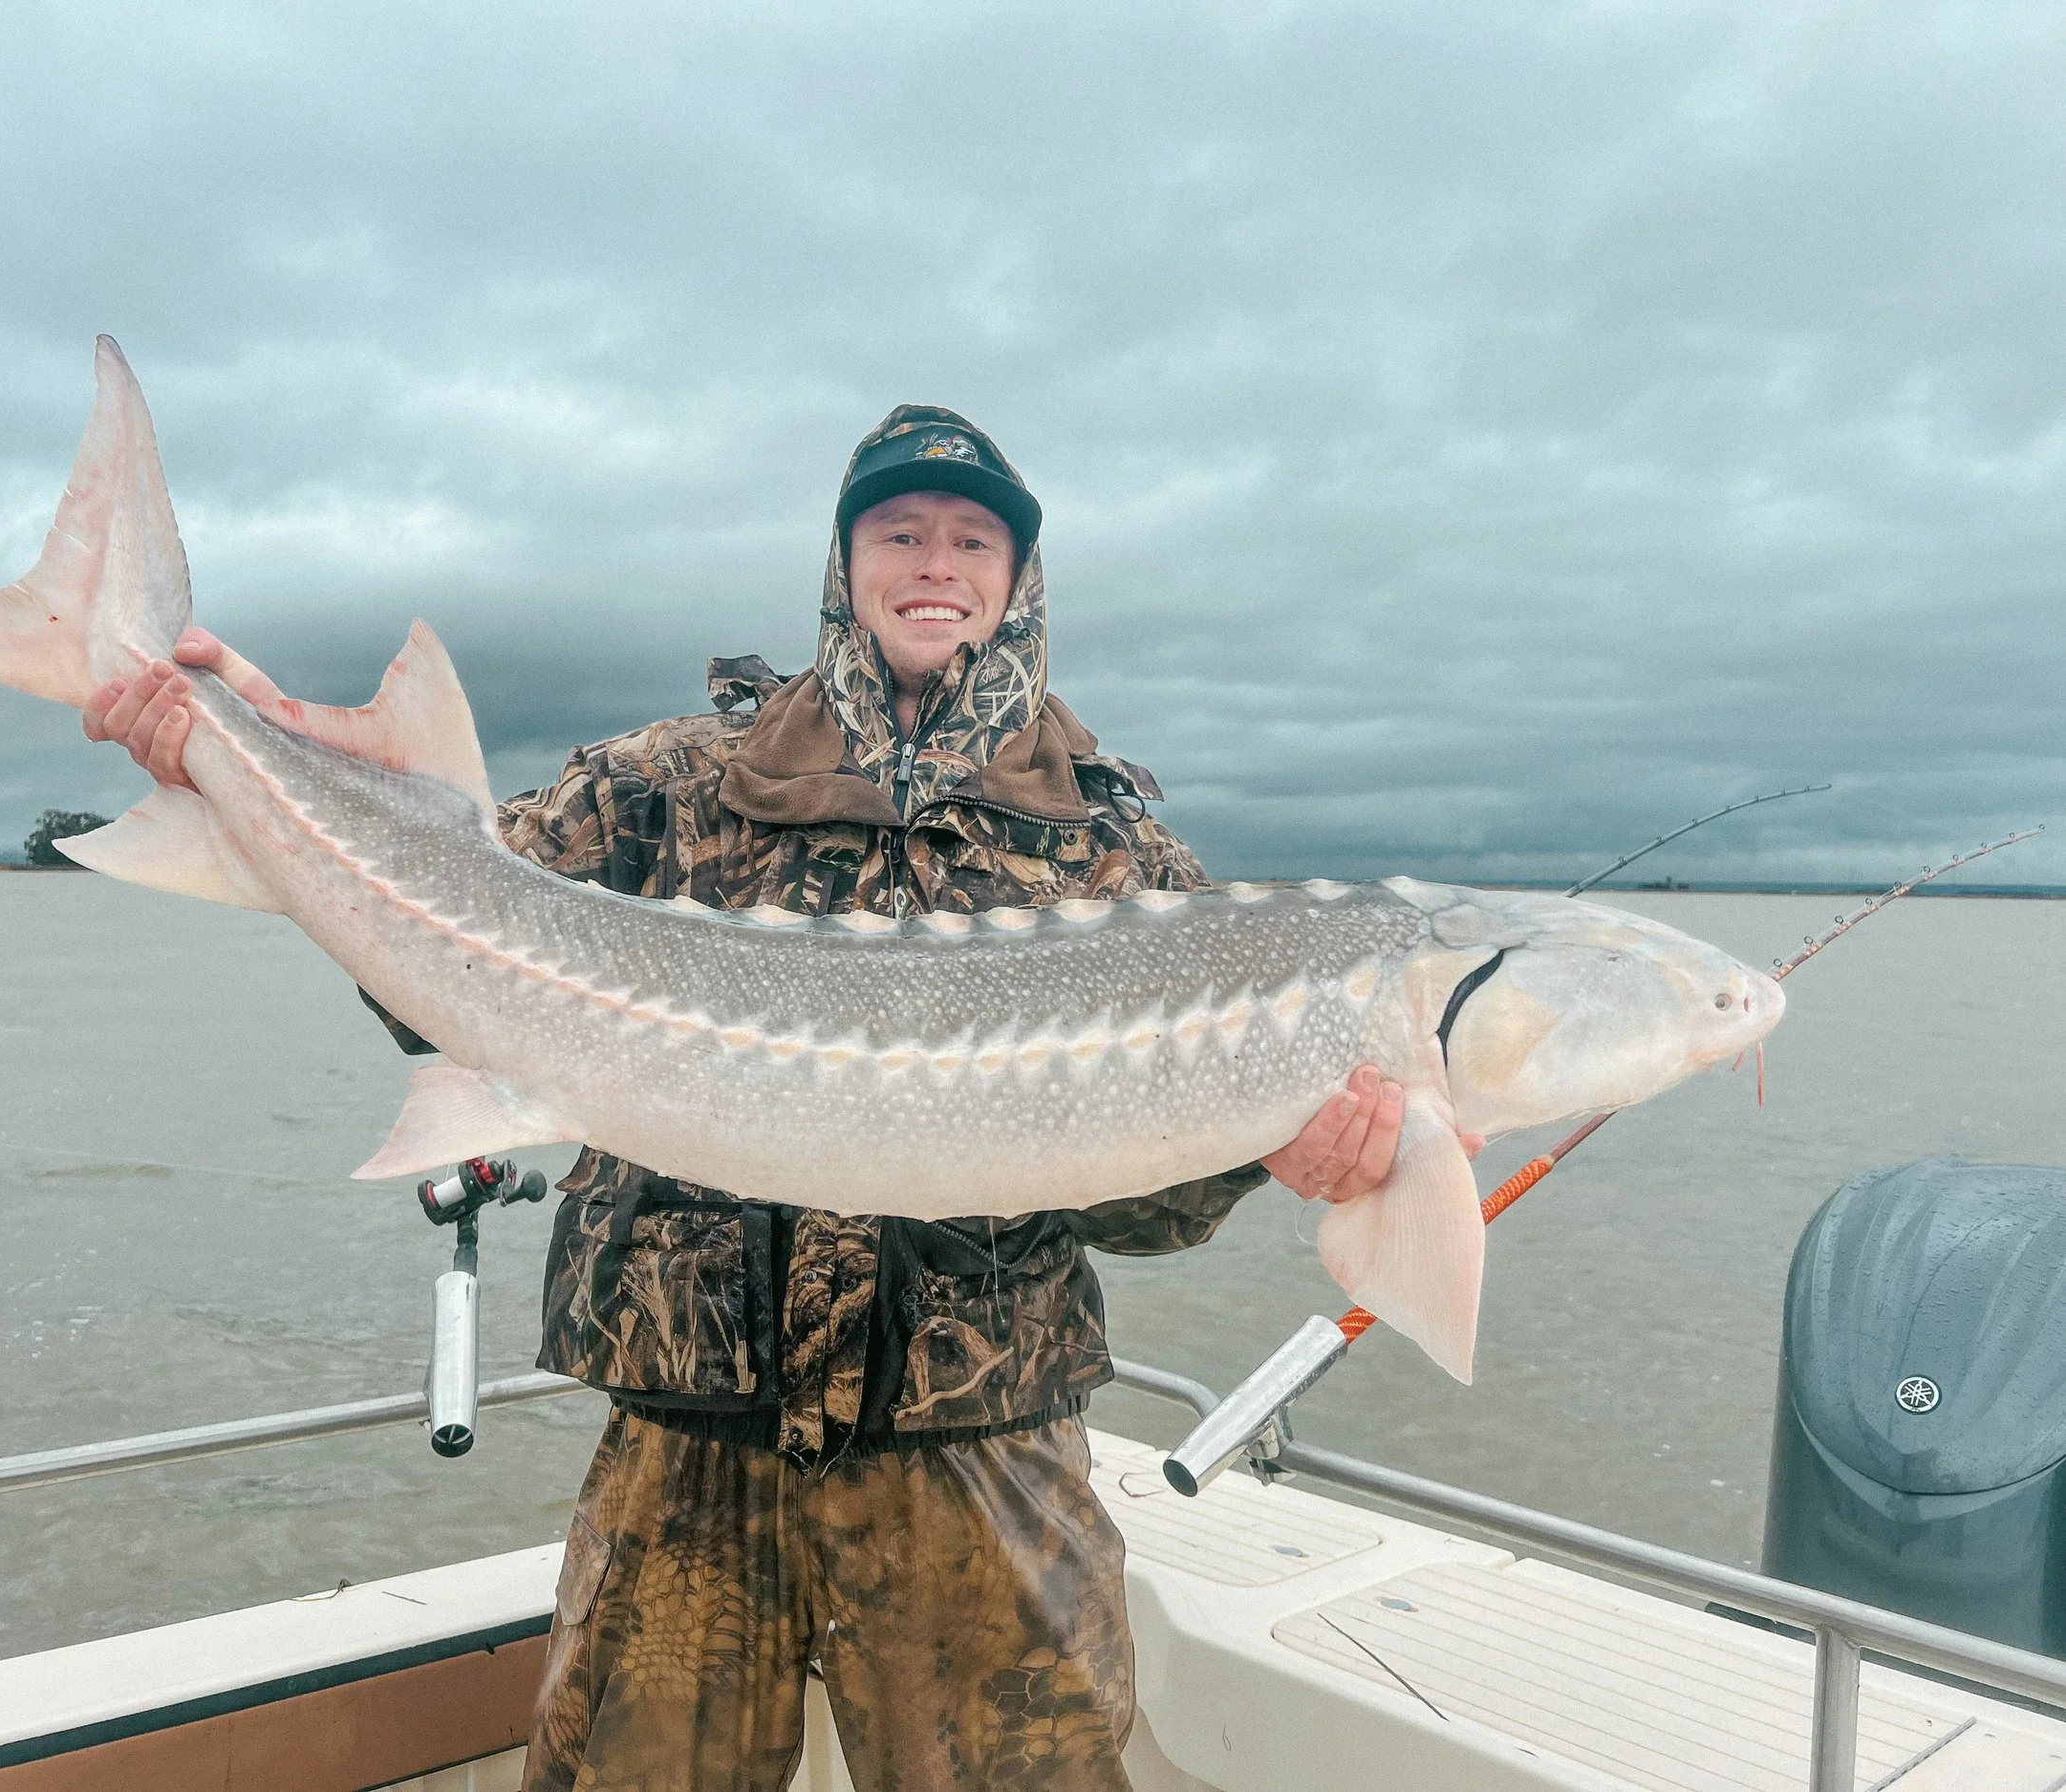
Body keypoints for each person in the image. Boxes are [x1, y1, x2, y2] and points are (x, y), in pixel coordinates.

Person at [82, 406, 1440, 1790]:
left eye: (973, 539)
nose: (935, 562)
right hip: (686, 1452)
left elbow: (1151, 1202)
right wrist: (235, 756)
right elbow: (442, 946)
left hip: (973, 1464)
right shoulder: (670, 786)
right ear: (844, 560)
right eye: (898, 531)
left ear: (1019, 577)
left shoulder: (1109, 846)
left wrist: (1288, 1148)